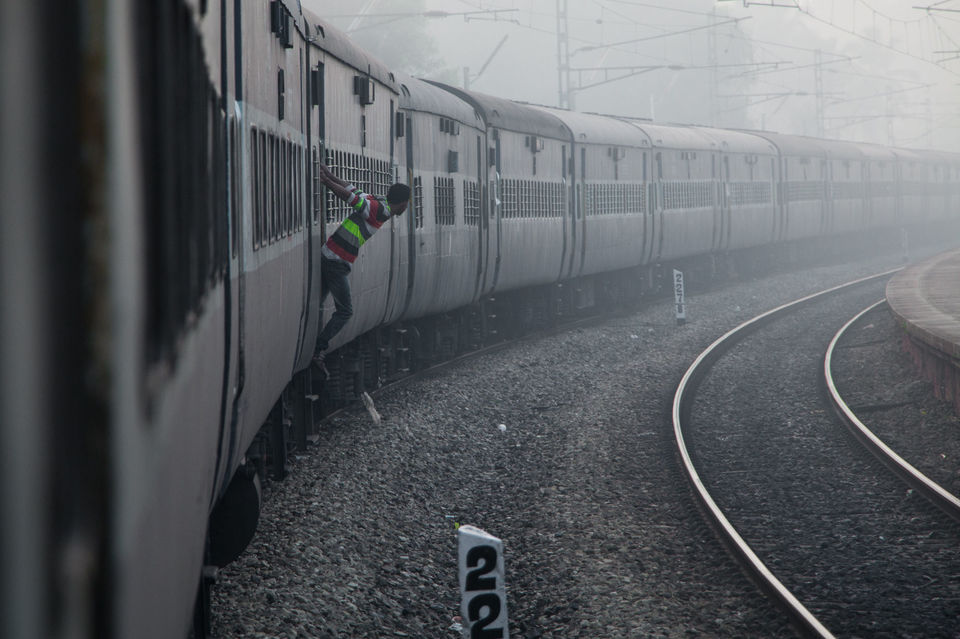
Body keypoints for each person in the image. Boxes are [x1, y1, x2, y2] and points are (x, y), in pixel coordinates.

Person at [314, 162, 410, 369]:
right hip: (336, 261)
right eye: (407, 204)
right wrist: (326, 182)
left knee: (318, 302)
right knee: (345, 311)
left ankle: (313, 344)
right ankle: (318, 347)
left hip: (331, 255)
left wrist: (330, 175)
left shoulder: (377, 201)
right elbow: (350, 198)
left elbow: (350, 188)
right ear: (403, 204)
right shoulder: (379, 211)